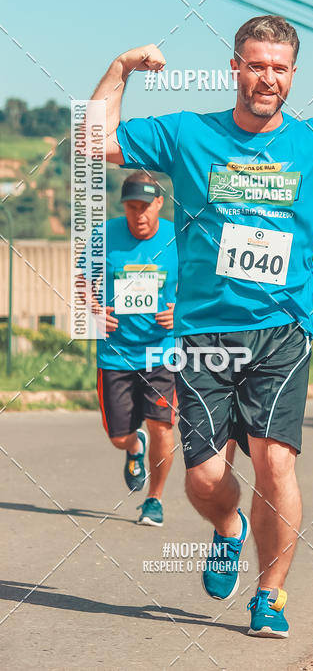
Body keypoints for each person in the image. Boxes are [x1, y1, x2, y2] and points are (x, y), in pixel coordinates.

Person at [91, 14, 313, 636]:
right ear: (236, 68)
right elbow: (95, 143)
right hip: (201, 334)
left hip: (281, 330)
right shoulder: (188, 134)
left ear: (292, 74)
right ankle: (227, 526)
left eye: (278, 67)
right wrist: (120, 70)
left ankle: (269, 594)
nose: (266, 78)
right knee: (206, 478)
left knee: (276, 465)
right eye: (255, 65)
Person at [92, 170, 178, 527]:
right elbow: (81, 280)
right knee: (118, 437)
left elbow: (204, 285)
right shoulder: (105, 235)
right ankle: (132, 448)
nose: (138, 215)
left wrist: (181, 310)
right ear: (123, 206)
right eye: (131, 207)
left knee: (163, 427)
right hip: (116, 354)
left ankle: (154, 500)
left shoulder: (178, 238)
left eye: (145, 206)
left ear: (159, 203)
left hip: (161, 351)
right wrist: (92, 310)